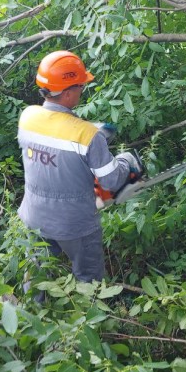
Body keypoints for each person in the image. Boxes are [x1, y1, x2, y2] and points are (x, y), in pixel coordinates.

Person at [17, 50, 140, 285]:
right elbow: (111, 181)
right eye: (80, 87)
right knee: (89, 280)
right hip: (75, 224)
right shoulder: (87, 136)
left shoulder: (28, 117)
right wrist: (125, 161)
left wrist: (91, 132)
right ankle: (90, 316)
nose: (82, 91)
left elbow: (55, 135)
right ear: (67, 93)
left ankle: (31, 313)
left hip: (34, 218)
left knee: (36, 279)